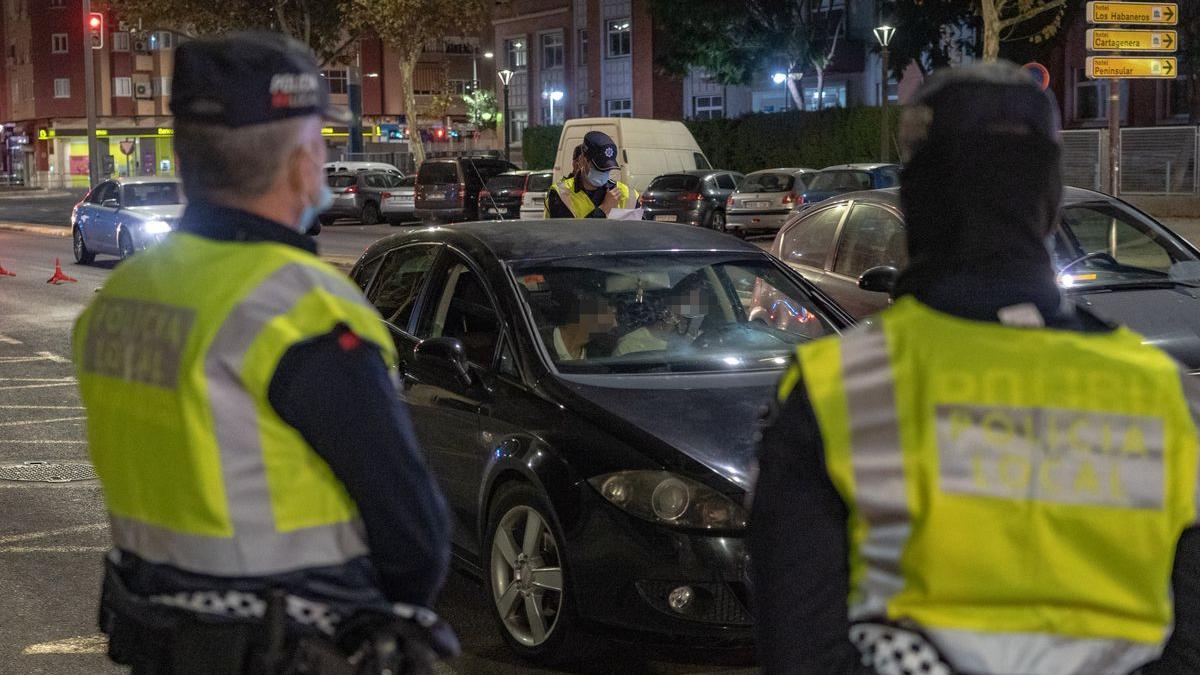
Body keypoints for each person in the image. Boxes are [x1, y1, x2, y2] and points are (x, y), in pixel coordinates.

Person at [749, 61, 1200, 675]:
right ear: (1047, 204)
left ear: (920, 199)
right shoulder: (1162, 395)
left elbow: (799, 649)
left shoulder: (838, 389)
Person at [73, 32, 455, 674]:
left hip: (159, 641)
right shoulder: (301, 307)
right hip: (288, 646)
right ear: (305, 160)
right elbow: (414, 540)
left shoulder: (124, 296)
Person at [544, 130, 640, 218]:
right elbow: (567, 235)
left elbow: (641, 233)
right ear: (582, 160)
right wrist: (603, 210)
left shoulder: (628, 195)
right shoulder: (561, 194)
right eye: (598, 167)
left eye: (607, 169)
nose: (603, 173)